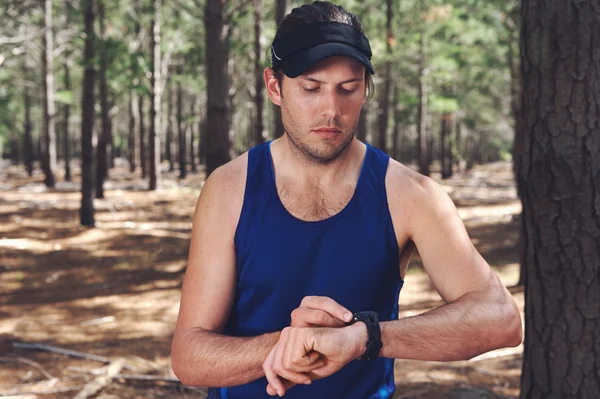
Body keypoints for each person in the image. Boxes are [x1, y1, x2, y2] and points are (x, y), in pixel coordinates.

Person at [170, 2, 523, 398]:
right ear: (275, 87)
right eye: (311, 87)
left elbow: (501, 319)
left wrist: (363, 338)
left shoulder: (409, 195)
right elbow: (188, 357)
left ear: (365, 90)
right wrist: (291, 346)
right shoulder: (229, 190)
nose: (331, 110)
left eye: (348, 89)